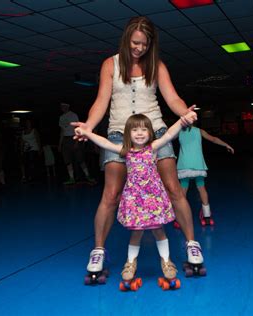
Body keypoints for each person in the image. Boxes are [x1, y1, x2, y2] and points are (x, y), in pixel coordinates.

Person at [72, 16, 205, 275]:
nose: (139, 48)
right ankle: (98, 251)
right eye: (135, 43)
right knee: (111, 195)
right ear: (126, 39)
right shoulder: (110, 65)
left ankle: (192, 244)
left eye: (144, 44)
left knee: (173, 188)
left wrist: (185, 113)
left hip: (154, 131)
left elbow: (172, 97)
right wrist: (88, 126)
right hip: (118, 134)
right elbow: (101, 100)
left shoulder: (157, 65)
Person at [76, 112, 196, 289]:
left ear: (150, 132)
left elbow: (170, 133)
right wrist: (87, 133)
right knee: (136, 233)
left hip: (153, 198)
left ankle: (166, 261)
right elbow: (105, 143)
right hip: (135, 199)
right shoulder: (126, 151)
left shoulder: (153, 148)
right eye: (135, 130)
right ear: (127, 133)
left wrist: (182, 120)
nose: (140, 133)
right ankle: (130, 263)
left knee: (159, 230)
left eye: (144, 129)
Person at [176, 126, 234, 226]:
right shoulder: (199, 131)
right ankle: (207, 217)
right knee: (201, 188)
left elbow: (165, 139)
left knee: (183, 190)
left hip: (184, 165)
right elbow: (213, 139)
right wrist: (226, 145)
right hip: (198, 164)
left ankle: (180, 218)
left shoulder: (177, 131)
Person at [58, 102, 94, 185]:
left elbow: (78, 127)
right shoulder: (61, 117)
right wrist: (60, 144)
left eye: (64, 106)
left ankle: (88, 176)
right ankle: (71, 178)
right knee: (67, 160)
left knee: (80, 159)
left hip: (74, 137)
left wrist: (77, 142)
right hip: (66, 139)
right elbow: (62, 131)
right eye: (61, 106)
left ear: (68, 106)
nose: (62, 107)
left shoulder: (73, 115)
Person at [20, 118, 41, 182]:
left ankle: (31, 176)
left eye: (29, 122)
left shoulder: (34, 130)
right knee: (23, 162)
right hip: (26, 149)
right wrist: (21, 150)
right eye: (27, 122)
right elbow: (21, 142)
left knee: (31, 161)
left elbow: (38, 140)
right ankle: (25, 176)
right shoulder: (23, 132)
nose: (28, 123)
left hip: (33, 148)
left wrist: (40, 149)